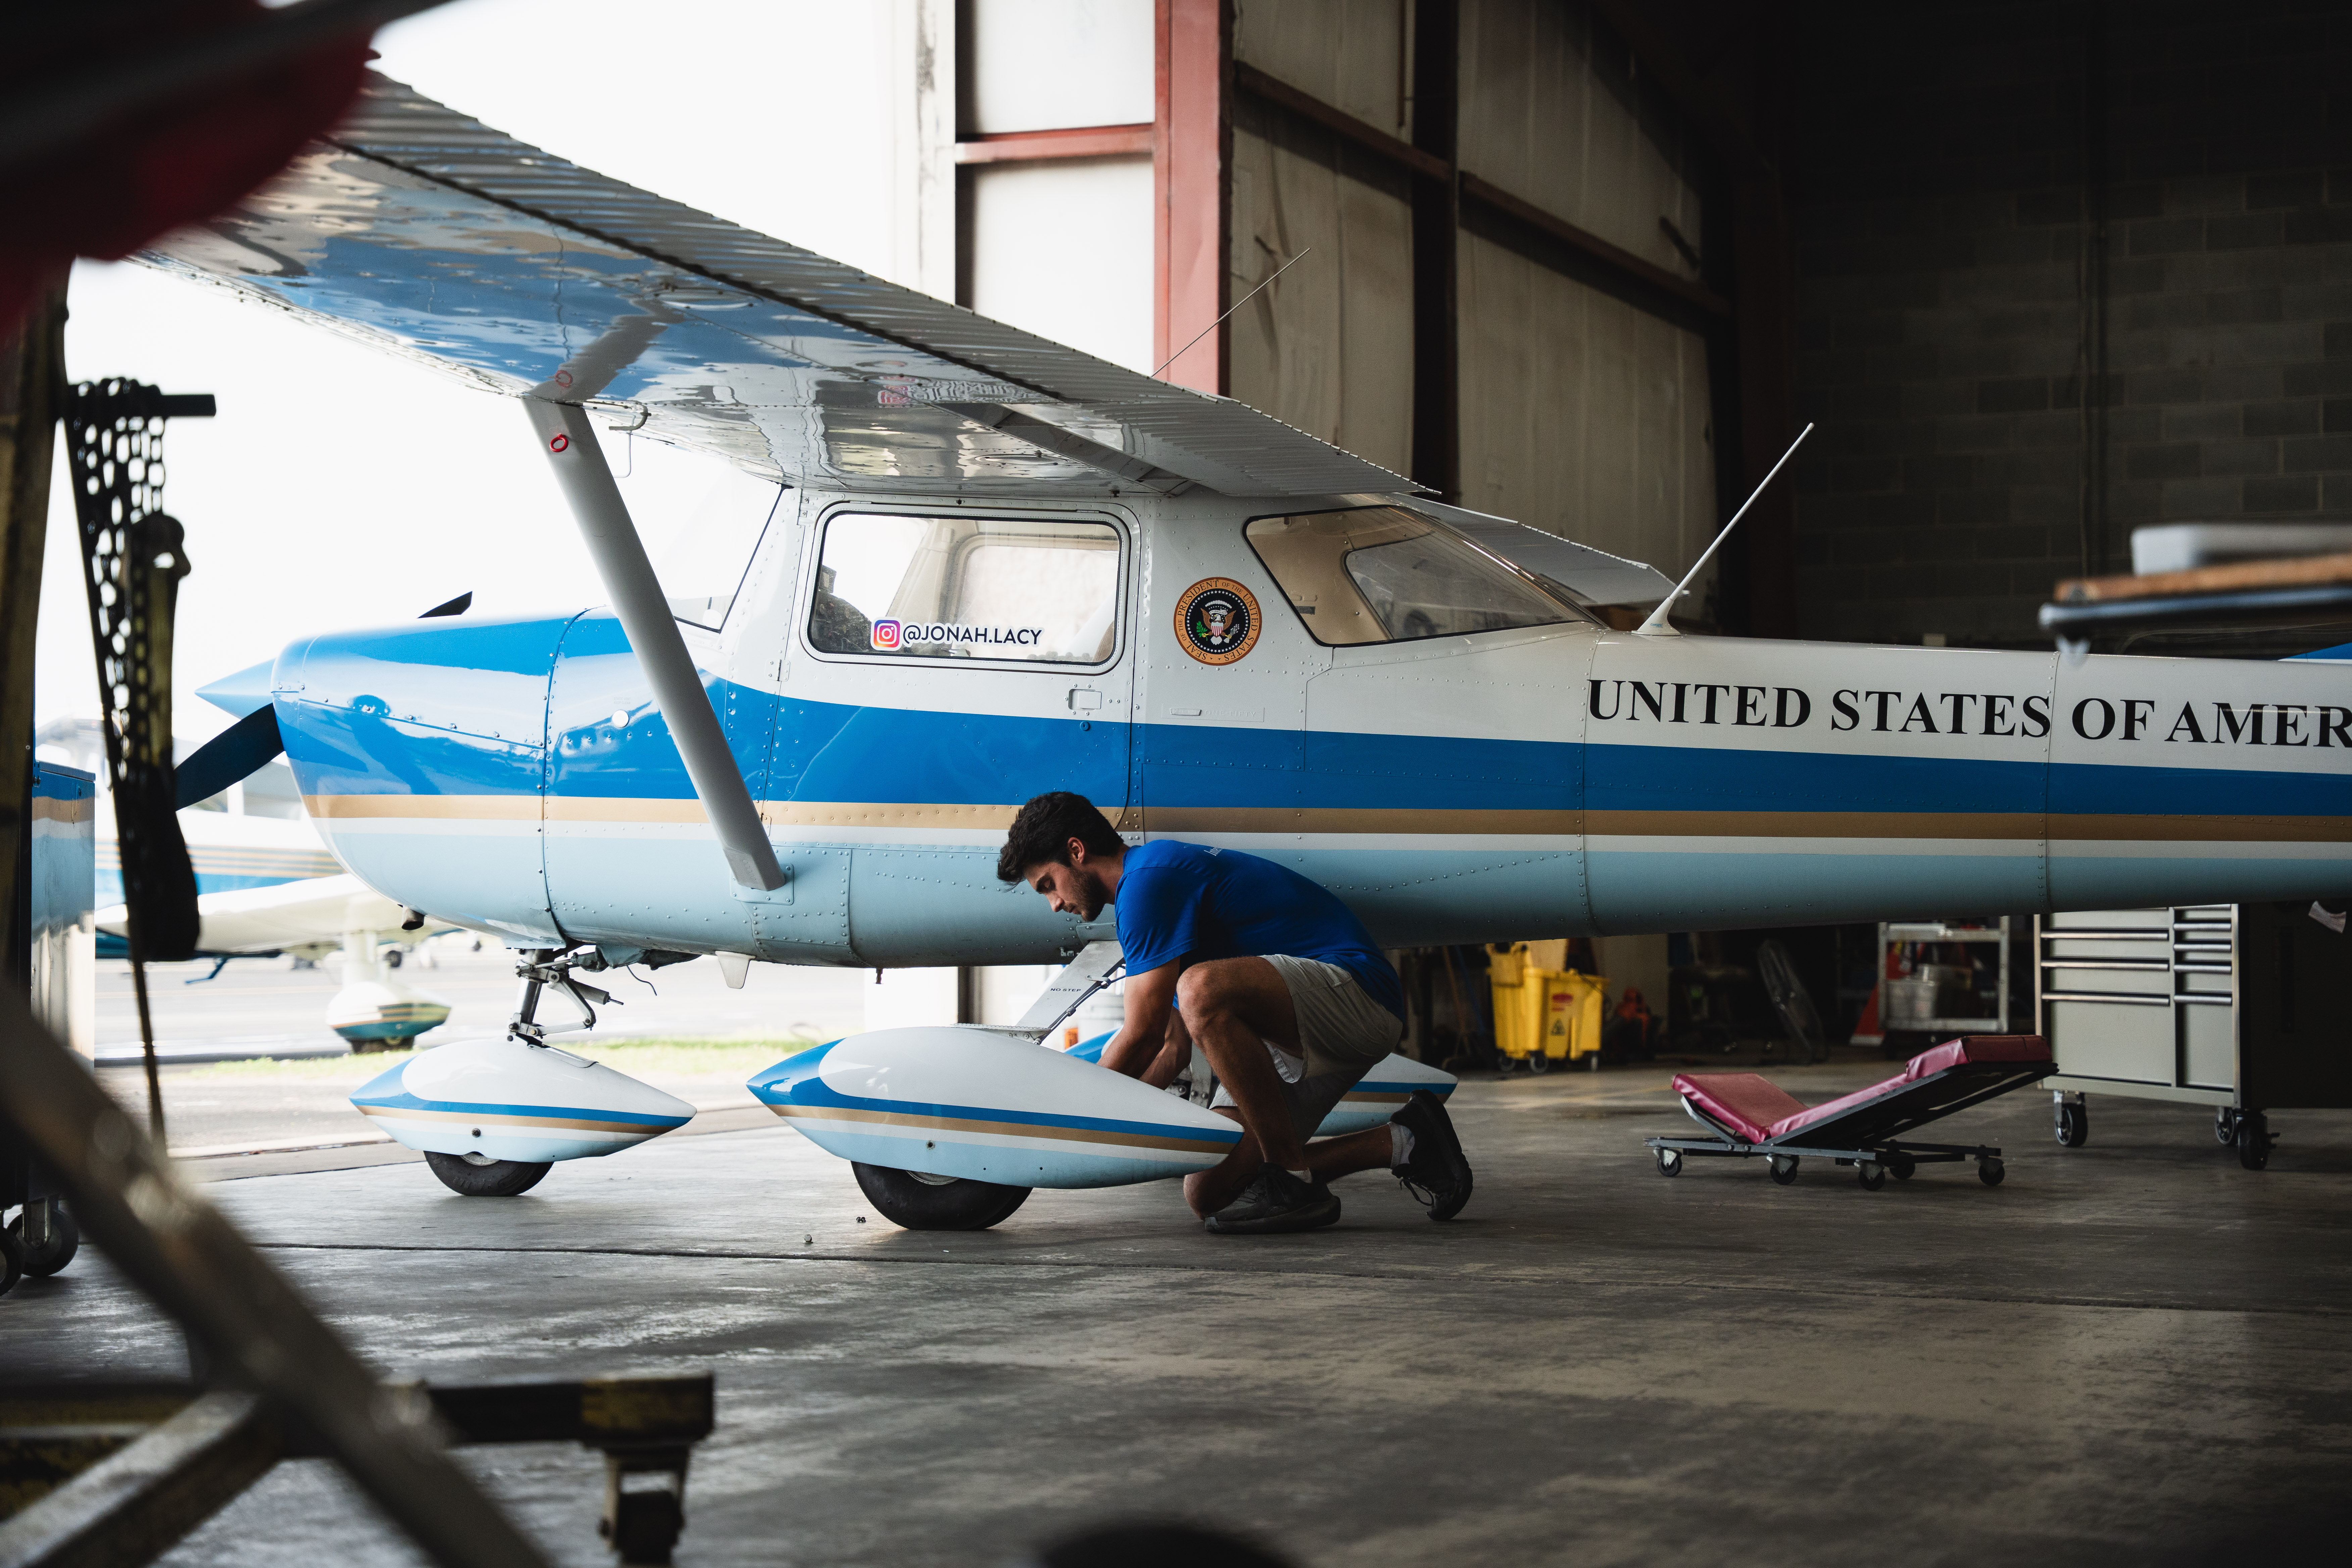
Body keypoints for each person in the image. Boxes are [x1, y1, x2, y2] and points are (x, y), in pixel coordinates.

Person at [997, 791, 1473, 1235]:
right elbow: (1171, 1048)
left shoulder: (1148, 881)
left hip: (1358, 997)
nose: (1055, 903)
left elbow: (1141, 1036)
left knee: (1200, 990)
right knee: (1210, 1192)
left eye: (1048, 885)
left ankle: (1291, 1171)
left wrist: (1070, 1117)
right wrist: (1118, 1129)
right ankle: (1407, 1141)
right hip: (1290, 1031)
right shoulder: (1146, 898)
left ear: (1077, 851)